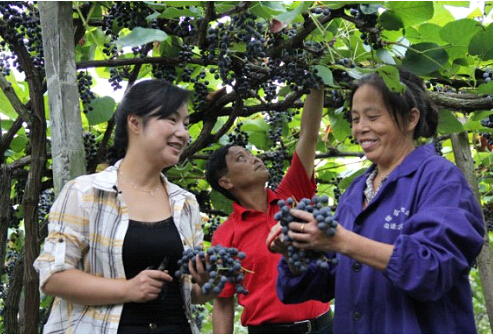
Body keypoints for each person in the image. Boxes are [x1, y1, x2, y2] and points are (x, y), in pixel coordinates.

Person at [268, 69, 485, 333]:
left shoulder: (440, 180)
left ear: (410, 119)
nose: (361, 128)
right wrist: (294, 250)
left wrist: (341, 240)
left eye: (373, 117)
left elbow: (433, 270)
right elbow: (326, 281)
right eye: (356, 119)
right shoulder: (354, 193)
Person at [34, 79, 215, 334]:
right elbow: (54, 277)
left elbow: (190, 292)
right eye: (172, 120)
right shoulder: (85, 192)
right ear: (135, 122)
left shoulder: (185, 203)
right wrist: (128, 289)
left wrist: (207, 285)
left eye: (186, 124)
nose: (184, 133)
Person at [205, 87, 332, 334]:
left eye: (250, 154)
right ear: (226, 182)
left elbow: (308, 136)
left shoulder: (292, 196)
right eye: (241, 158)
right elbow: (222, 301)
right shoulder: (225, 235)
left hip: (326, 327)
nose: (254, 158)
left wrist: (316, 81)